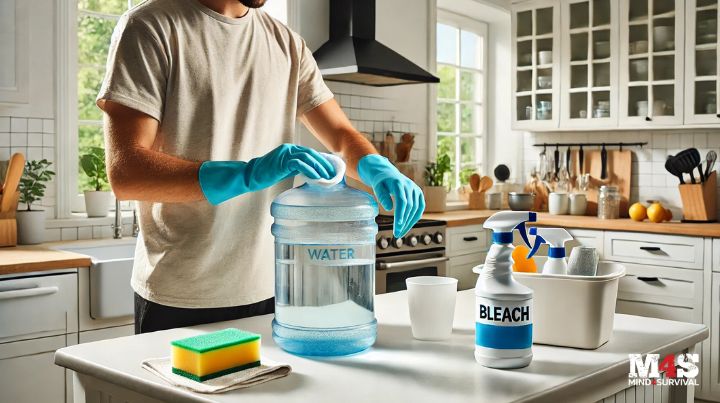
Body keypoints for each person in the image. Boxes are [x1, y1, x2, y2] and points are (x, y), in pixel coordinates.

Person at [97, 0, 425, 334]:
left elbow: (340, 134)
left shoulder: (287, 44)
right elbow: (127, 173)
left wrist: (378, 167)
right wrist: (247, 174)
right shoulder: (150, 26)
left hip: (272, 292)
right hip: (183, 297)